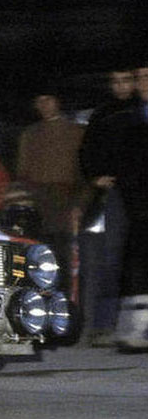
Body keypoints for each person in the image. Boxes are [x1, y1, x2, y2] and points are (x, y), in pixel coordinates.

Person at [77, 67, 137, 345]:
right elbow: (87, 151)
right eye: (116, 81)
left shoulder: (140, 111)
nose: (122, 86)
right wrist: (95, 176)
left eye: (127, 80)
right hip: (112, 198)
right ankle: (103, 326)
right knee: (107, 262)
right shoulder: (103, 114)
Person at [15, 89, 88, 283]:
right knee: (38, 256)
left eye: (48, 100)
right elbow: (23, 172)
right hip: (38, 204)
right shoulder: (30, 134)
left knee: (66, 258)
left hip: (66, 202)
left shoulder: (76, 132)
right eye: (40, 101)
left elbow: (84, 174)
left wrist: (79, 204)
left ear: (57, 102)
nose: (44, 105)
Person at [112, 65, 148, 350]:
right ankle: (135, 331)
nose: (143, 82)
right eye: (139, 78)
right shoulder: (128, 118)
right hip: (138, 204)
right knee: (137, 265)